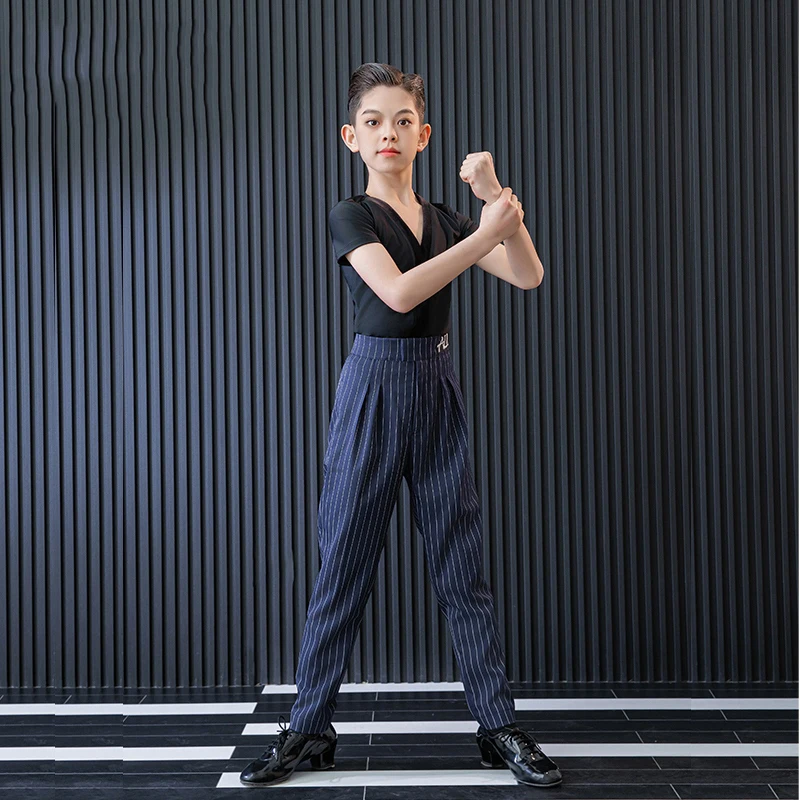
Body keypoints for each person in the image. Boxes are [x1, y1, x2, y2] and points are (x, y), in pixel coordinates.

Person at [240, 62, 559, 789]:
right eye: (375, 122)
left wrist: (492, 198)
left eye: (404, 120)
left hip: (437, 387)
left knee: (462, 570)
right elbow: (400, 290)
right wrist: (487, 232)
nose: (390, 132)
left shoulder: (449, 216)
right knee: (343, 569)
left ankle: (497, 725)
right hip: (374, 391)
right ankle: (308, 730)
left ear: (425, 133)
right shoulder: (349, 214)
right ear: (352, 137)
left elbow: (529, 272)